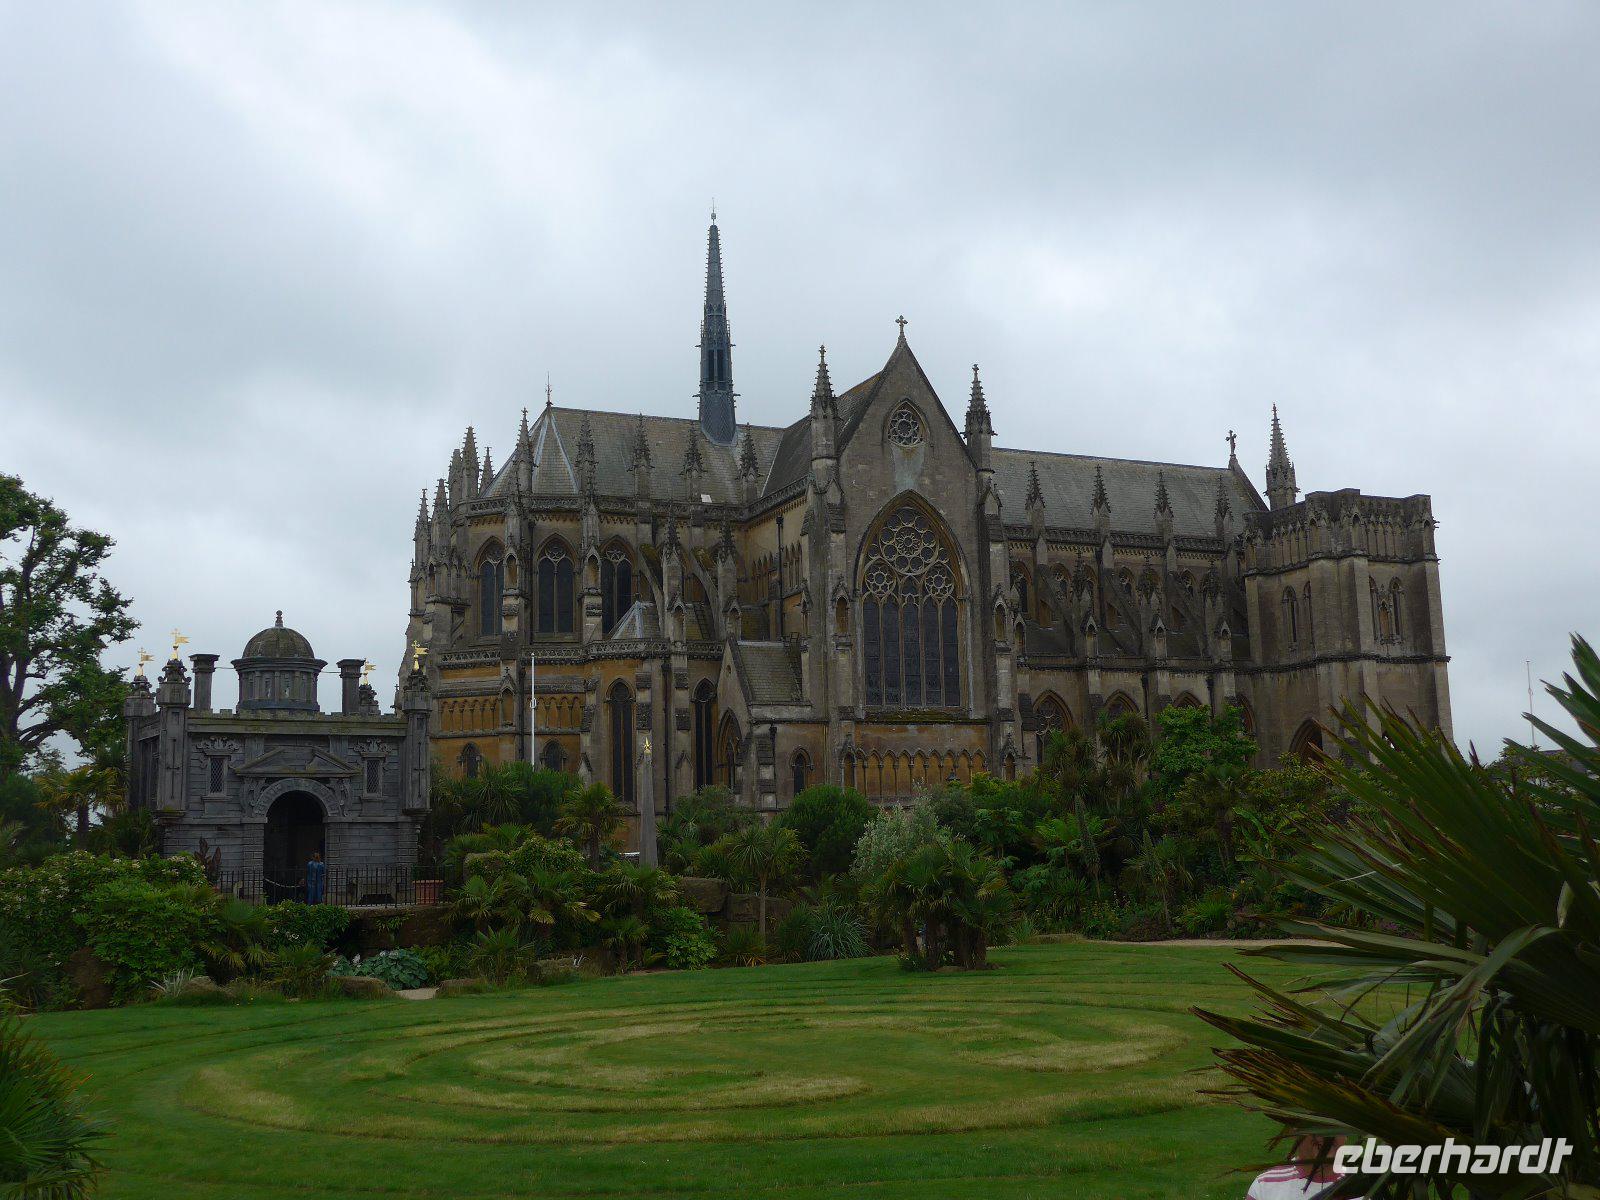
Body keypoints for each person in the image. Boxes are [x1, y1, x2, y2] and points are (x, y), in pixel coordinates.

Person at [1247, 1136, 1354, 1200]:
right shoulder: (1266, 1186)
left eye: (1335, 1124)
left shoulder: (1364, 1188)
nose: (1328, 1136)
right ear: (1296, 1130)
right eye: (1316, 1123)